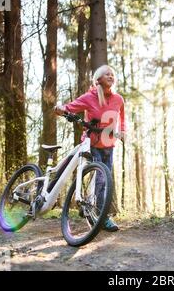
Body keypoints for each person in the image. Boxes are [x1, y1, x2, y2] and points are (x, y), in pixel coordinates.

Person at [54, 64, 126, 232]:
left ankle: (95, 210)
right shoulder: (90, 97)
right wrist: (60, 109)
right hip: (92, 143)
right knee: (101, 178)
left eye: (112, 74)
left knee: (105, 181)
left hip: (109, 144)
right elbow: (71, 107)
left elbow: (122, 117)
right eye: (107, 74)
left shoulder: (118, 99)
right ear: (98, 79)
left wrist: (122, 131)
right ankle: (101, 217)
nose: (111, 76)